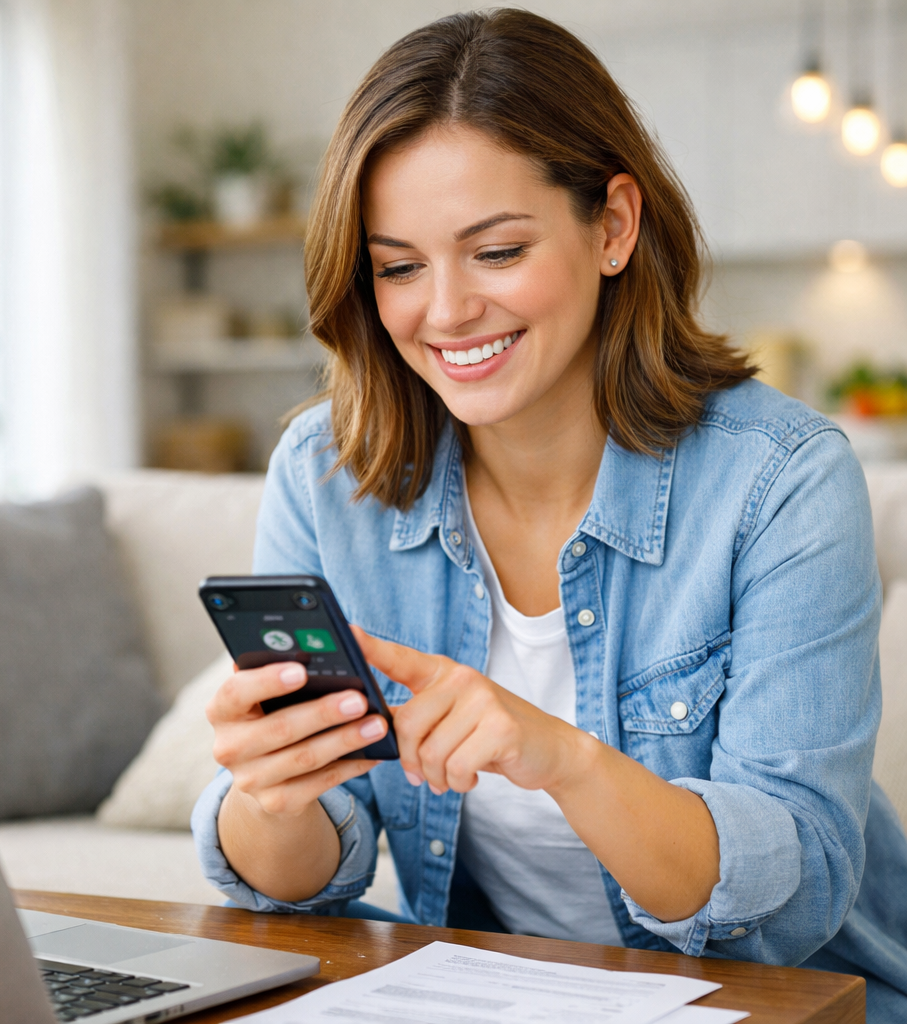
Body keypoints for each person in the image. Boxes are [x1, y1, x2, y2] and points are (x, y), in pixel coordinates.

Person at [191, 10, 907, 1021]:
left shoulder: (779, 481)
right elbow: (302, 882)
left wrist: (558, 755)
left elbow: (793, 892)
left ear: (613, 226)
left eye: (494, 251)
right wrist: (277, 790)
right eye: (398, 266)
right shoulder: (327, 474)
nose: (443, 312)